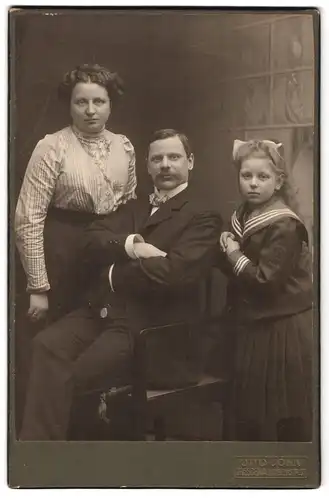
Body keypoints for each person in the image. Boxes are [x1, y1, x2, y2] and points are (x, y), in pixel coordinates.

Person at [19, 129, 223, 440]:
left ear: (190, 162)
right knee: (46, 345)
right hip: (106, 313)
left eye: (174, 157)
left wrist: (111, 273)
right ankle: (40, 457)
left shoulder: (203, 215)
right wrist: (131, 246)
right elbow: (90, 240)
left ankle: (88, 459)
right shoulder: (134, 207)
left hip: (155, 328)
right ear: (147, 165)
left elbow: (175, 272)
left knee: (78, 373)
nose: (165, 165)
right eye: (157, 159)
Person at [15, 63, 137, 324]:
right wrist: (38, 288)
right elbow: (28, 218)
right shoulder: (52, 147)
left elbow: (129, 204)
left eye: (99, 101)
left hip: (106, 249)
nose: (91, 110)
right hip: (63, 253)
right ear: (69, 105)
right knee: (62, 329)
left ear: (110, 104)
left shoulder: (124, 146)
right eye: (81, 102)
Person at [218, 139, 313, 442]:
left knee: (278, 411)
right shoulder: (242, 215)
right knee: (249, 411)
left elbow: (265, 281)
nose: (254, 184)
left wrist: (232, 253)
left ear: (279, 181)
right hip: (253, 323)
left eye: (263, 177)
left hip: (280, 327)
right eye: (247, 176)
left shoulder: (284, 224)